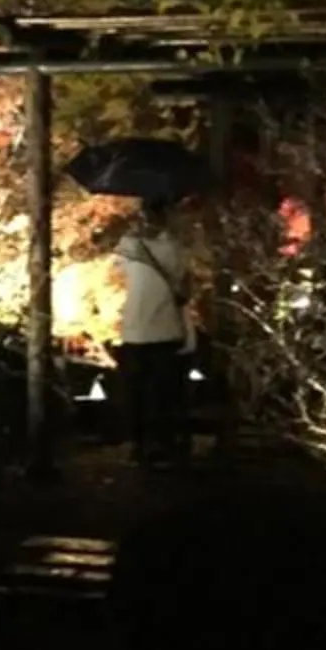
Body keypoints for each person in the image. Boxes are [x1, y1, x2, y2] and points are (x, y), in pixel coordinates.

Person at [113, 200, 192, 466]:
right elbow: (185, 282)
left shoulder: (130, 245)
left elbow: (118, 269)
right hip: (167, 329)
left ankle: (137, 445)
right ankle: (161, 445)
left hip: (135, 331)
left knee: (134, 393)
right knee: (163, 394)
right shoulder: (176, 248)